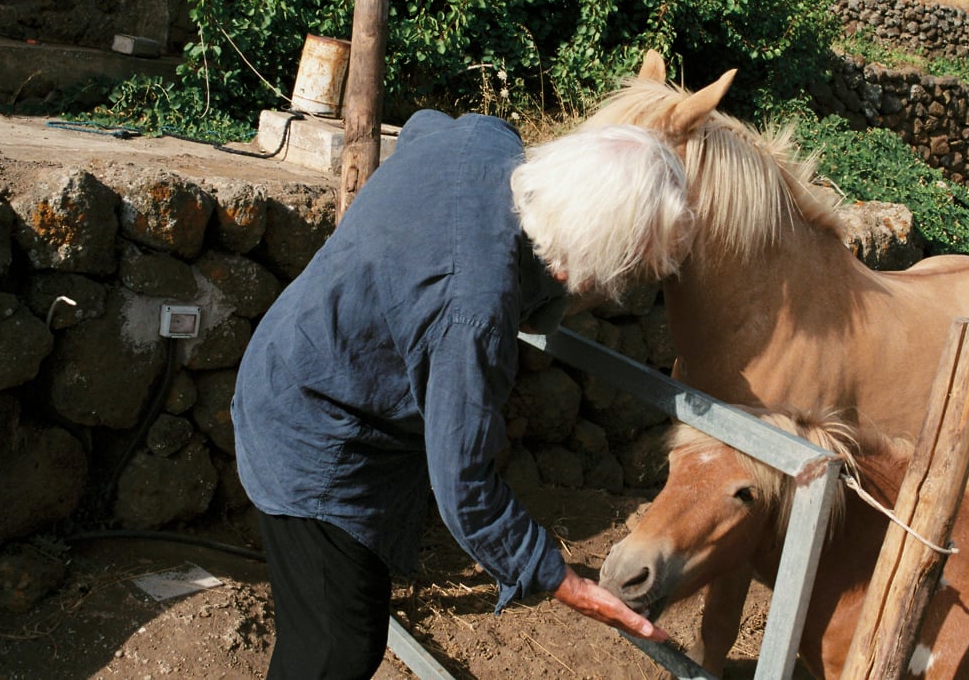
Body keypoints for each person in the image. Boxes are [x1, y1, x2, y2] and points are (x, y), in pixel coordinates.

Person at [231, 108, 694, 678]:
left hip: (299, 357)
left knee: (343, 616)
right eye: (619, 269)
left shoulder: (484, 143)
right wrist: (565, 582)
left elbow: (423, 124)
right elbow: (465, 488)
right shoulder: (473, 317)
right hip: (314, 438)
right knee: (338, 645)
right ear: (584, 263)